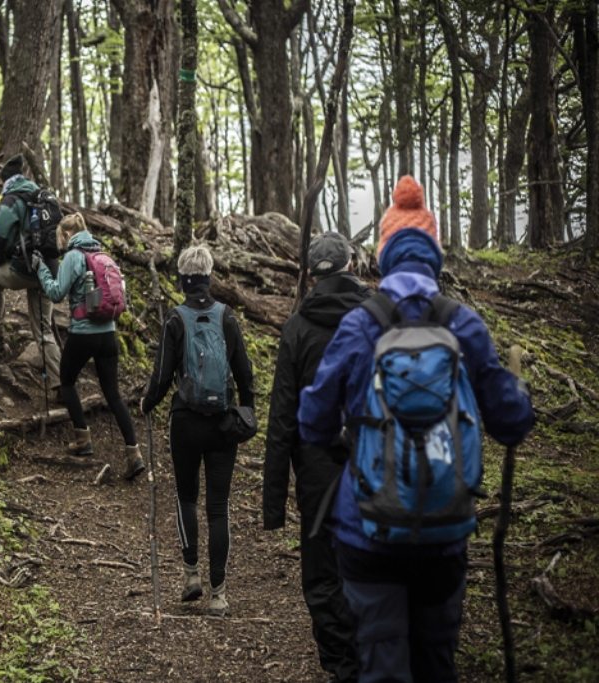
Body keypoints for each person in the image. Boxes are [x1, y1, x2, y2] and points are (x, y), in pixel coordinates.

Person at [298, 176, 534, 683]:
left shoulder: (362, 324)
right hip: (444, 531)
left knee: (381, 663)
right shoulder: (463, 324)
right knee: (435, 660)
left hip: (367, 528)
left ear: (385, 254)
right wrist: (518, 392)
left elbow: (312, 420)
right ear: (433, 253)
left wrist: (348, 436)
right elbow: (512, 423)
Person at [264, 232, 369, 683]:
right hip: (375, 464)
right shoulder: (378, 318)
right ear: (352, 266)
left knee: (323, 573)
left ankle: (342, 665)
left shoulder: (297, 328)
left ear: (309, 274)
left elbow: (282, 417)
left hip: (316, 471)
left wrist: (273, 501)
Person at [140, 245, 255, 617]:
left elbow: (160, 378)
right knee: (218, 508)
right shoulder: (227, 318)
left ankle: (191, 575)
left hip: (186, 423)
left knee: (186, 497)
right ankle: (218, 595)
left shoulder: (176, 319)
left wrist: (146, 403)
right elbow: (245, 375)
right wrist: (247, 412)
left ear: (183, 280)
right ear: (208, 277)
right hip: (223, 426)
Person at [34, 213, 144, 480]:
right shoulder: (103, 256)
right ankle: (134, 453)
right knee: (114, 394)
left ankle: (83, 439)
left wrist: (41, 269)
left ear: (67, 235)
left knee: (67, 381)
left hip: (83, 333)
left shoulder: (74, 256)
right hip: (109, 334)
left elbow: (57, 293)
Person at [0, 154, 61, 401]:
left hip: (25, 269)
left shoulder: (12, 198)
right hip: (49, 271)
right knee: (44, 330)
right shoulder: (42, 196)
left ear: (6, 180)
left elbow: (1, 234)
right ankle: (60, 386)